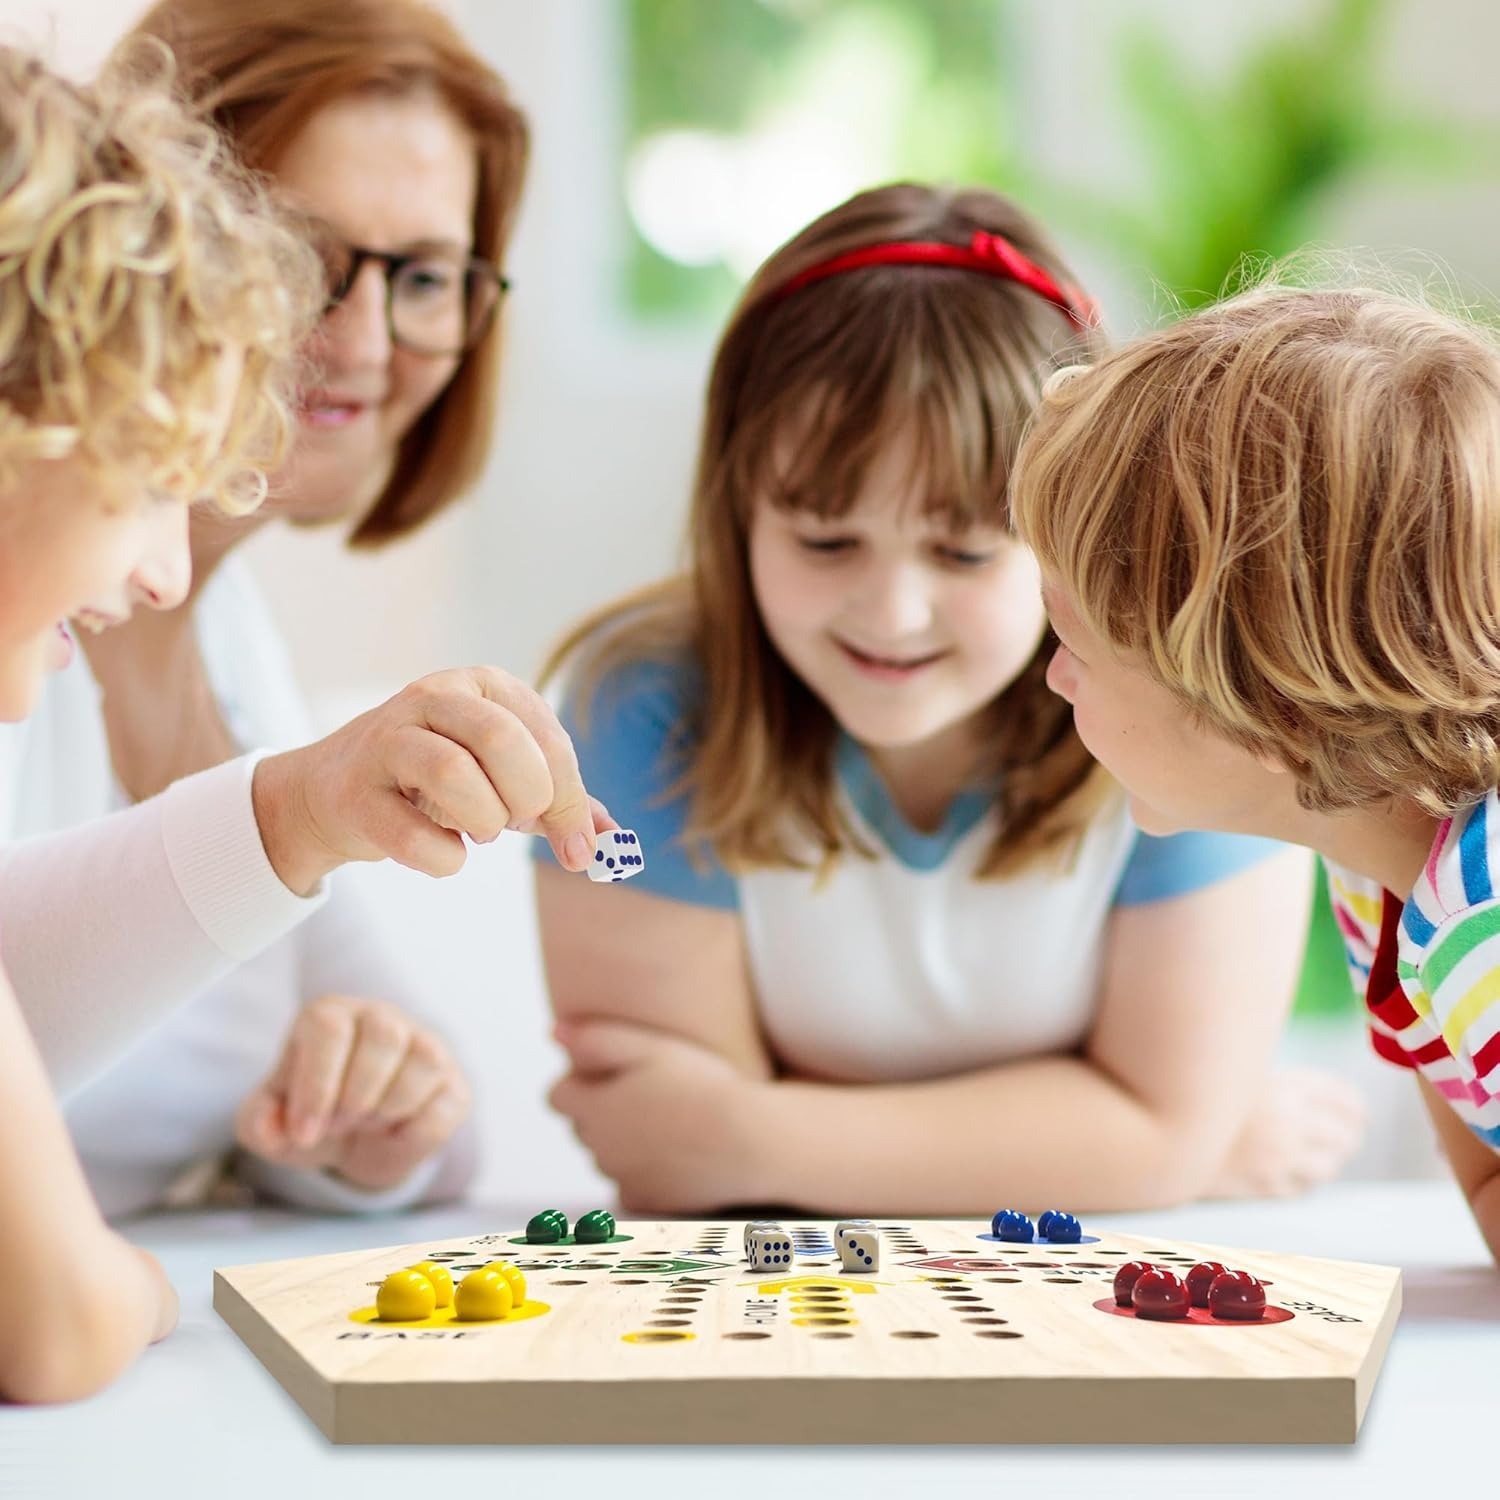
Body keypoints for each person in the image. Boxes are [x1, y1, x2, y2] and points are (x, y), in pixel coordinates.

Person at [534, 183, 1364, 1217]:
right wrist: (1135, 1150)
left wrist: (758, 1131)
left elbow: (719, 1144)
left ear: (1072, 532)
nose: (892, 611)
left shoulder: (1192, 700)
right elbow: (674, 1164)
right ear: (735, 506)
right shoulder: (641, 707)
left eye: (965, 551)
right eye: (824, 540)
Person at [0, 46, 601, 1402]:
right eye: (310, 259)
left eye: (427, 274)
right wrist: (123, 1288)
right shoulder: (37, 633)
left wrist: (369, 1120)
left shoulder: (226, 629)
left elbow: (406, 1107)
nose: (368, 337)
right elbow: (49, 1320)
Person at [1009, 277, 1500, 1265]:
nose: (1052, 676)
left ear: (1269, 712)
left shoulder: (1479, 925)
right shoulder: (1382, 878)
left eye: (1076, 643)